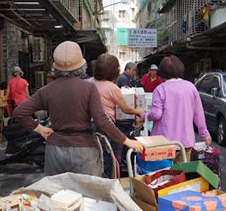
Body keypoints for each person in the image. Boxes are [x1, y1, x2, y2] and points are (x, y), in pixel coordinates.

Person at [13, 41, 143, 177]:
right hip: (83, 151)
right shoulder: (88, 88)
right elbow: (101, 121)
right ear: (82, 65)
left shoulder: (47, 90)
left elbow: (19, 112)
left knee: (57, 195)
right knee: (87, 195)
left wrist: (40, 129)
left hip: (54, 150)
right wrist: (127, 141)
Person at [146, 55, 211, 163]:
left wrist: (145, 115)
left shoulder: (160, 89)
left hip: (163, 143)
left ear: (162, 72)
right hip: (185, 142)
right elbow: (198, 114)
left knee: (163, 176)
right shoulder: (190, 87)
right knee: (181, 176)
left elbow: (156, 114)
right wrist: (205, 134)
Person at [94, 54, 145, 177]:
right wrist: (138, 111)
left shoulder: (92, 84)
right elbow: (125, 109)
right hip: (107, 126)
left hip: (92, 124)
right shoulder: (113, 88)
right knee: (110, 156)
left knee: (98, 156)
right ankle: (111, 181)